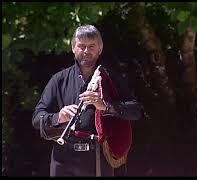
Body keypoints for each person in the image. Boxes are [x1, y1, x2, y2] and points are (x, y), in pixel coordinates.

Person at [32, 24, 142, 176]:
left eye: (91, 46)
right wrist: (58, 117)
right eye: (81, 46)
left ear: (100, 49)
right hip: (63, 156)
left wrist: (104, 106)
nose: (86, 51)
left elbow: (135, 111)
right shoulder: (59, 79)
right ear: (73, 48)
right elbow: (37, 118)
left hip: (97, 154)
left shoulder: (112, 78)